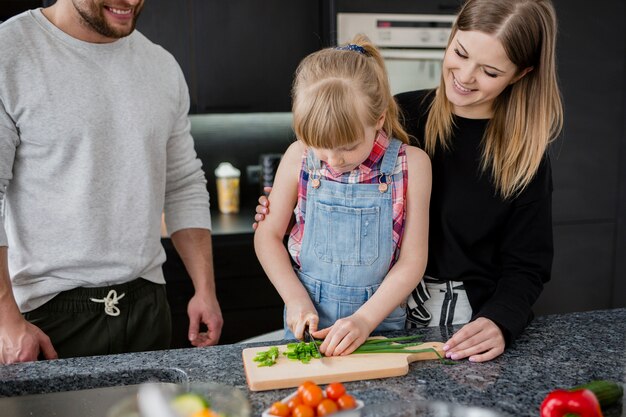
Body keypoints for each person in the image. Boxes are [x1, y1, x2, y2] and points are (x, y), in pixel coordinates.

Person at [254, 0, 563, 362]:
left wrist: (501, 319)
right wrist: (285, 211)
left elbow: (527, 267)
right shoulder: (396, 116)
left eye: (490, 72)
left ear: (521, 73)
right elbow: (325, 170)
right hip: (371, 313)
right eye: (460, 53)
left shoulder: (524, 155)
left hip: (458, 325)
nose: (464, 76)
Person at [0, 0, 223, 363]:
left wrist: (205, 289)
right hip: (44, 317)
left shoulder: (161, 66)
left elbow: (183, 182)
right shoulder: (10, 52)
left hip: (148, 307)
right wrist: (5, 320)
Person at [254, 35, 432, 357]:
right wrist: (295, 299)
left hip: (379, 324)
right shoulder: (298, 156)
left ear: (378, 120)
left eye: (348, 146)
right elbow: (267, 236)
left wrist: (364, 320)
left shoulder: (412, 165)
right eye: (320, 146)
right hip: (307, 322)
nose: (333, 160)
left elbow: (412, 261)